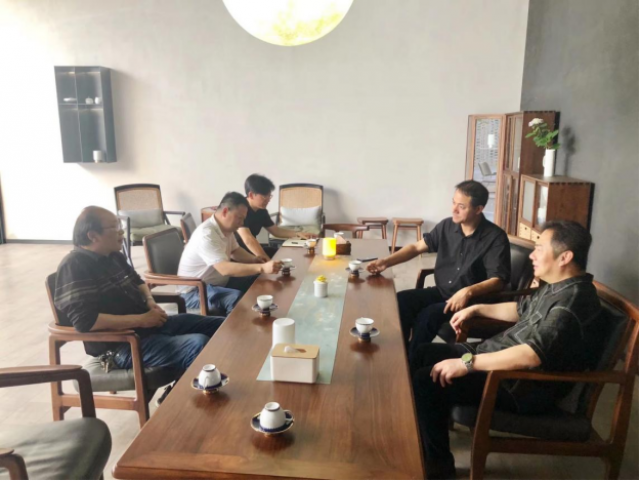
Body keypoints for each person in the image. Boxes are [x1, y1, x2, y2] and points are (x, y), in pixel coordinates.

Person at [411, 220, 604, 479]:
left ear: (565, 257)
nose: (532, 255)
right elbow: (519, 309)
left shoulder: (571, 302)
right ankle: (423, 435)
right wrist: (476, 309)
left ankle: (438, 468)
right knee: (423, 353)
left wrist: (466, 363)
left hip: (519, 385)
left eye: (539, 248)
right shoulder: (557, 287)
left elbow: (530, 354)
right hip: (498, 364)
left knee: (426, 381)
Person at [54, 206, 226, 404]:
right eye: (114, 227)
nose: (121, 232)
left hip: (149, 327)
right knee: (197, 344)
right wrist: (142, 320)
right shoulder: (74, 266)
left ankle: (174, 394)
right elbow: (85, 321)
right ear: (93, 235)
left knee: (218, 325)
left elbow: (138, 282)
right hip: (122, 345)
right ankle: (183, 406)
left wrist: (150, 302)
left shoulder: (113, 255)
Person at [367, 181, 510, 357]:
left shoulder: (495, 238)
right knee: (401, 300)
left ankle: (412, 361)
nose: (454, 210)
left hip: (472, 301)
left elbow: (498, 280)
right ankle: (401, 354)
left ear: (478, 209)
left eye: (461, 206)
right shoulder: (447, 226)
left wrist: (468, 292)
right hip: (443, 292)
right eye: (453, 203)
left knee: (427, 316)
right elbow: (416, 247)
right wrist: (386, 262)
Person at [178, 192, 282, 315]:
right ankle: (237, 327)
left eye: (243, 219)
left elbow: (235, 251)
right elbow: (224, 269)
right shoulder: (207, 234)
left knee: (258, 281)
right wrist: (261, 267)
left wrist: (254, 259)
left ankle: (263, 316)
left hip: (218, 283)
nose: (242, 223)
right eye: (239, 218)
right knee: (234, 297)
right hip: (194, 291)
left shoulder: (226, 229)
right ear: (225, 212)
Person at [235, 174, 315, 260]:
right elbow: (248, 239)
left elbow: (276, 231)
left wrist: (298, 234)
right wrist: (266, 260)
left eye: (269, 196)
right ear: (251, 195)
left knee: (283, 254)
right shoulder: (239, 209)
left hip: (250, 250)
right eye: (264, 196)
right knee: (273, 261)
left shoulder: (261, 211)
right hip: (237, 254)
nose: (268, 200)